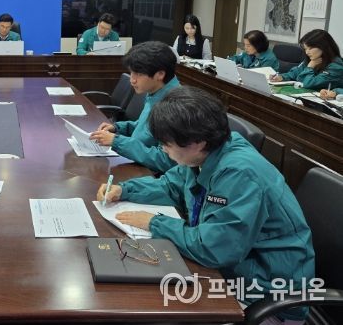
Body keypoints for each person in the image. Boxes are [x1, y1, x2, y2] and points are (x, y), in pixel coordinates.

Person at [98, 87, 314, 324]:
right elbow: (171, 185)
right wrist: (125, 190)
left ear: (197, 142)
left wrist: (154, 222)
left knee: (146, 305)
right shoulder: (205, 153)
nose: (163, 149)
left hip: (266, 295)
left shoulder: (239, 174)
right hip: (232, 270)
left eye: (167, 144)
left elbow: (215, 249)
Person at [89, 41, 179, 173]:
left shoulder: (175, 106)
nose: (132, 80)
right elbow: (143, 127)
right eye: (131, 72)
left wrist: (117, 142)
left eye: (139, 74)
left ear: (160, 74)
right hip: (138, 162)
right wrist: (117, 128)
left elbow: (166, 161)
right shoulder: (155, 92)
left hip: (153, 175)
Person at [270, 29, 343, 90]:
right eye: (305, 49)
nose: (307, 52)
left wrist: (310, 67)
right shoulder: (313, 59)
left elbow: (309, 84)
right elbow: (295, 72)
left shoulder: (336, 66)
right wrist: (281, 77)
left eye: (310, 48)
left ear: (324, 47)